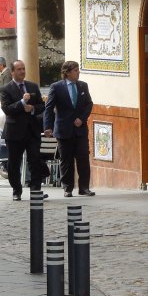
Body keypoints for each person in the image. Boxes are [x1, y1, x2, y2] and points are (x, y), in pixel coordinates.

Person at [43, 60, 96, 198]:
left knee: (83, 158)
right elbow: (49, 108)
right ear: (67, 73)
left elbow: (89, 104)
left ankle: (84, 187)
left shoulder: (83, 86)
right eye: (75, 70)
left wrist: (82, 118)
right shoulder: (56, 87)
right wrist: (48, 126)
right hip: (63, 129)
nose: (78, 73)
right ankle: (68, 188)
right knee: (66, 160)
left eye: (78, 70)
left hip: (80, 130)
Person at [0, 59, 47, 201]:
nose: (22, 71)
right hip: (14, 132)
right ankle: (16, 191)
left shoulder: (32, 86)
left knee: (35, 160)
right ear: (12, 72)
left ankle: (35, 190)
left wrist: (32, 108)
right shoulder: (5, 89)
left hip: (32, 131)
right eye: (19, 69)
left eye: (23, 69)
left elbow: (41, 106)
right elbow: (7, 109)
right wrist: (21, 102)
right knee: (14, 163)